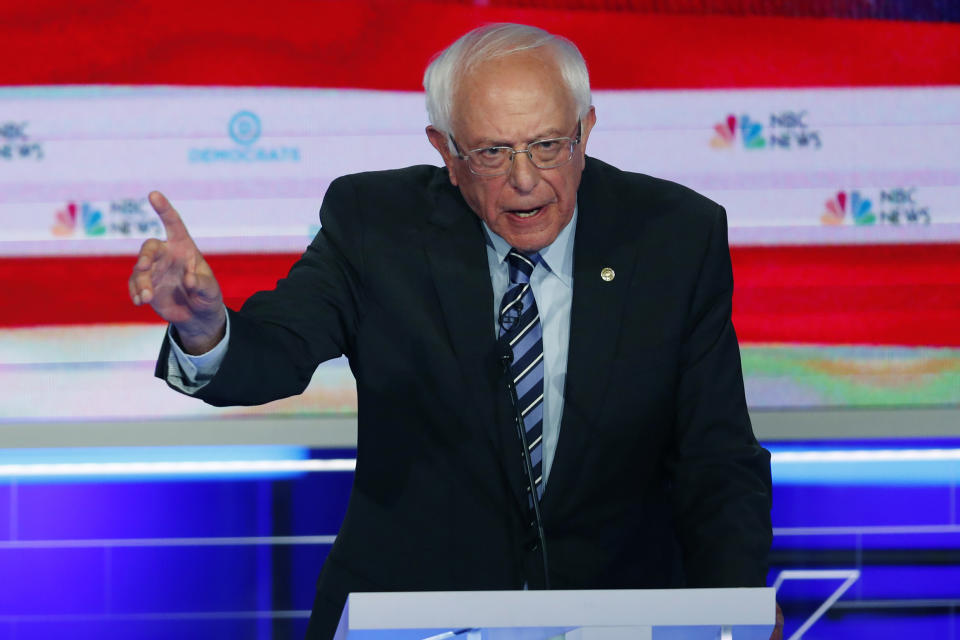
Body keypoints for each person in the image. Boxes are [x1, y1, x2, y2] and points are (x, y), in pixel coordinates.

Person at [129, 23, 775, 640]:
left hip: (619, 614)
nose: (525, 179)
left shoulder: (672, 237)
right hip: (415, 613)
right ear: (446, 151)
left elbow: (716, 462)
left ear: (586, 130)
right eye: (493, 152)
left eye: (548, 145)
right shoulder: (375, 226)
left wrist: (736, 612)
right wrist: (207, 327)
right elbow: (281, 349)